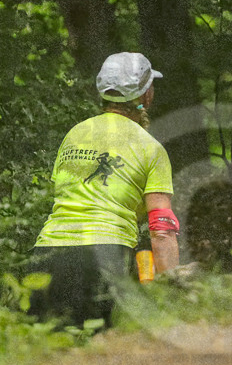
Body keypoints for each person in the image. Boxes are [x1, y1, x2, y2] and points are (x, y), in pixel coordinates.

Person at [28, 52, 180, 327]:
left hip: (46, 255)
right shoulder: (151, 148)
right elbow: (161, 229)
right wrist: (171, 291)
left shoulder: (74, 134)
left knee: (48, 348)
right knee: (98, 348)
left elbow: (67, 195)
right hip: (103, 255)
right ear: (146, 96)